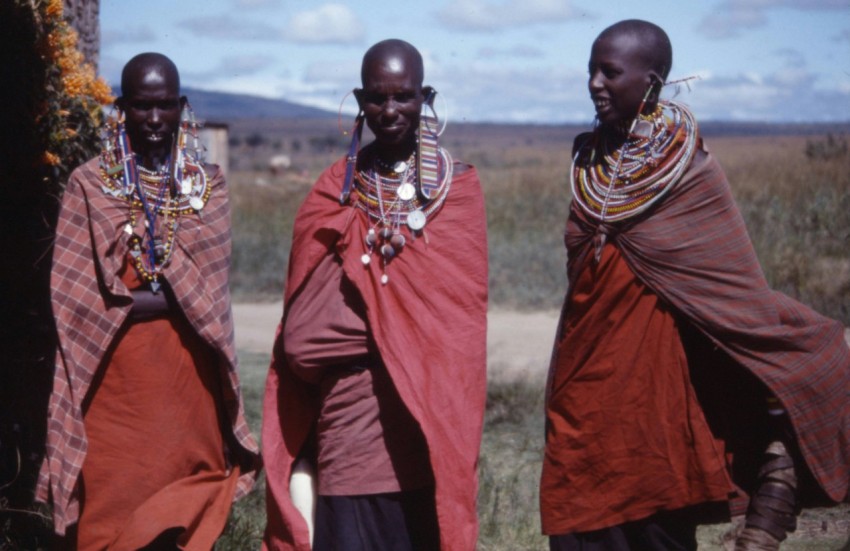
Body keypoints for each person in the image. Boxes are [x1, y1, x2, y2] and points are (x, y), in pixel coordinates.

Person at [540, 19, 850, 551]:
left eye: (609, 72)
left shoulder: (690, 174)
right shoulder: (589, 160)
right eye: (590, 70)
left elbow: (735, 294)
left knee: (654, 519)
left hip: (656, 394)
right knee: (576, 511)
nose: (594, 83)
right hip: (581, 381)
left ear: (652, 83)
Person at [262, 39, 488, 551]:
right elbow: (302, 339)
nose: (390, 110)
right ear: (360, 100)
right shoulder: (333, 192)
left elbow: (458, 334)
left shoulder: (455, 193)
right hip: (348, 431)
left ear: (426, 98)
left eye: (403, 96)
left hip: (424, 426)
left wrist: (385, 333)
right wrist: (393, 336)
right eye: (378, 98)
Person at [38, 52, 260, 549]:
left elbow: (210, 295)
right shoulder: (89, 185)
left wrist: (141, 297)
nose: (155, 119)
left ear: (182, 107)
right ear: (122, 109)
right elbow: (75, 300)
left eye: (165, 106)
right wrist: (171, 297)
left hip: (189, 383)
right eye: (141, 106)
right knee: (112, 508)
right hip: (115, 386)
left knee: (186, 502)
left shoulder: (208, 187)